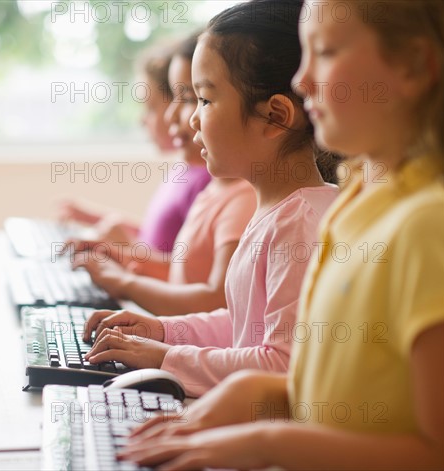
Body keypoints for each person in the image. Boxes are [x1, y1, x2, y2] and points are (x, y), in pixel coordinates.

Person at [120, 1, 444, 470]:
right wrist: (252, 391)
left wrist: (267, 442)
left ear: (414, 64)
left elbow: (439, 453)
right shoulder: (356, 203)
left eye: (326, 51)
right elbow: (320, 378)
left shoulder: (429, 225)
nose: (301, 80)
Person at [82, 0, 339, 396]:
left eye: (204, 99)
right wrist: (164, 331)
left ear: (274, 116)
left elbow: (281, 365)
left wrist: (164, 358)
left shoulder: (299, 223)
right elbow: (243, 327)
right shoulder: (279, 210)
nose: (191, 119)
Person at [72, 34, 258, 316]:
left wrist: (125, 281)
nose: (178, 116)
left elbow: (217, 302)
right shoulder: (215, 189)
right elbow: (184, 271)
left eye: (196, 100)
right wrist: (122, 258)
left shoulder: (237, 196)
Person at [59, 39, 211, 258]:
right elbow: (158, 240)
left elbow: (187, 271)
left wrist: (125, 248)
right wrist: (96, 220)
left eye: (150, 108)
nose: (142, 121)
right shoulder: (183, 169)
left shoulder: (207, 180)